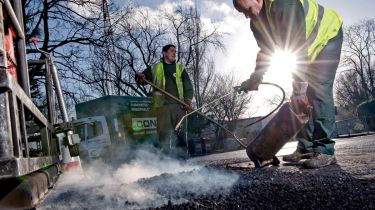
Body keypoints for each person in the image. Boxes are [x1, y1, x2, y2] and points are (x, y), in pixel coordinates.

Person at [233, 0, 343, 168]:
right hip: (306, 50)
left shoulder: (284, 4)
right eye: (242, 13)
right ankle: (305, 147)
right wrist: (254, 80)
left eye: (247, 10)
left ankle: (325, 150)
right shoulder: (256, 24)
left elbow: (297, 46)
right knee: (299, 101)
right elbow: (266, 52)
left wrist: (300, 88)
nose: (246, 15)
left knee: (319, 90)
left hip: (327, 36)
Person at [135, 44, 194, 159]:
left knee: (181, 136)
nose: (174, 53)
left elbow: (188, 86)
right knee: (164, 136)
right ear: (164, 53)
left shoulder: (180, 69)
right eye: (172, 51)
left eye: (175, 51)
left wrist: (188, 100)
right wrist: (140, 77)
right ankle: (166, 165)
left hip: (179, 108)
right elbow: (143, 78)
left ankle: (184, 163)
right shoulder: (155, 67)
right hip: (162, 108)